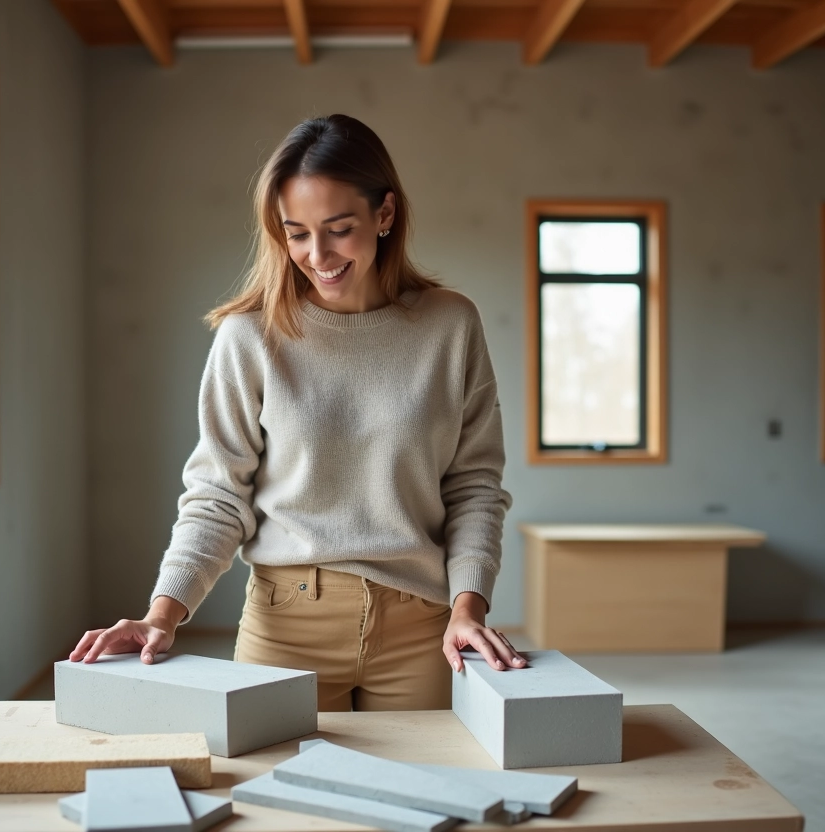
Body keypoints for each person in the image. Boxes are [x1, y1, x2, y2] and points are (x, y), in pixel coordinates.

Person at [70, 114, 523, 711]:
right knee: (273, 799)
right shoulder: (248, 337)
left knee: (435, 792)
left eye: (339, 229)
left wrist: (470, 604)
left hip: (424, 630)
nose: (318, 254)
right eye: (297, 233)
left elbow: (474, 486)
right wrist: (164, 613)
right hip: (286, 625)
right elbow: (218, 495)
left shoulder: (450, 325)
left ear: (384, 215)